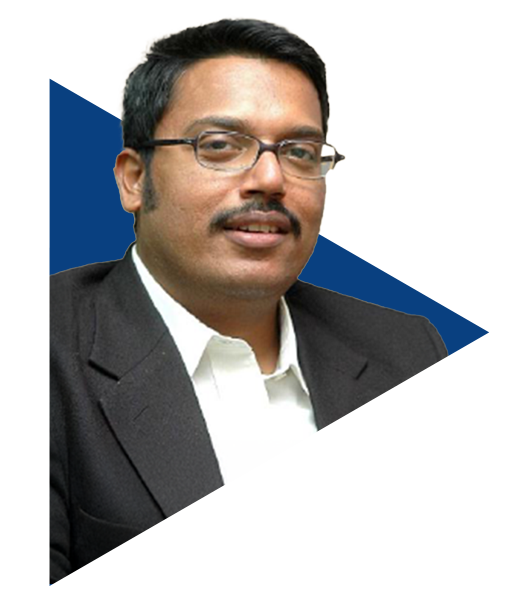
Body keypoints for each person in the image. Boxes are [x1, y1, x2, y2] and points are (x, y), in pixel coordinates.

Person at [49, 18, 489, 585]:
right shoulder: (36, 347)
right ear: (134, 179)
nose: (271, 178)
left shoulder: (404, 355)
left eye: (300, 151)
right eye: (220, 146)